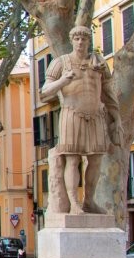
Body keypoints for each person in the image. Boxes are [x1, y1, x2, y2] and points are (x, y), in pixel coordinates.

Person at [40, 25, 121, 214]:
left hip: (96, 116)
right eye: (76, 38)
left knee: (96, 160)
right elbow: (44, 92)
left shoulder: (98, 63)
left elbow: (108, 92)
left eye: (84, 38)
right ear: (71, 41)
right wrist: (63, 81)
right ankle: (74, 203)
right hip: (71, 114)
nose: (80, 42)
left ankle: (89, 201)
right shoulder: (61, 63)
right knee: (73, 160)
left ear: (88, 41)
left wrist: (116, 117)